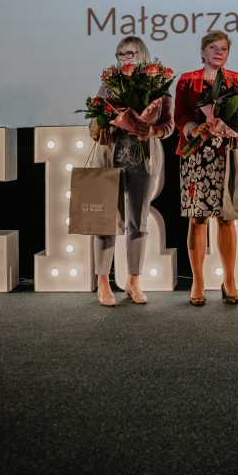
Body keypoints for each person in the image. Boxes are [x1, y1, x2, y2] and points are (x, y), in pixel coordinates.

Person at [91, 36, 174, 307]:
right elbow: (94, 124)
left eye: (131, 53)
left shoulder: (158, 87)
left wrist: (152, 130)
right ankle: (103, 282)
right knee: (105, 222)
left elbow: (169, 126)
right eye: (121, 54)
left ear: (143, 56)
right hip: (110, 159)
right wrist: (100, 129)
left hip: (144, 160)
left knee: (138, 223)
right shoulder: (108, 85)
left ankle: (133, 281)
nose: (125, 59)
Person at [174, 31, 238, 307]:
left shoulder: (237, 81)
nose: (218, 52)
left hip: (227, 153)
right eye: (213, 47)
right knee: (198, 218)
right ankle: (198, 281)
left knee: (227, 218)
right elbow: (180, 115)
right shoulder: (187, 79)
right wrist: (194, 129)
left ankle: (230, 280)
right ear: (202, 52)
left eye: (223, 48)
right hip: (197, 155)